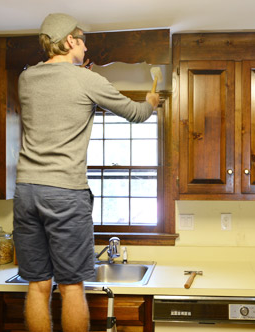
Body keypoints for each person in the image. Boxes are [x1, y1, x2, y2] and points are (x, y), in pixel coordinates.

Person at [12, 13, 159, 332]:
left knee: (38, 285)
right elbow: (134, 114)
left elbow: (58, 93)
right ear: (69, 41)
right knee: (71, 287)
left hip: (26, 192)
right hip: (64, 192)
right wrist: (150, 102)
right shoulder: (86, 80)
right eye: (82, 39)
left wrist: (80, 72)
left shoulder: (26, 78)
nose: (85, 44)